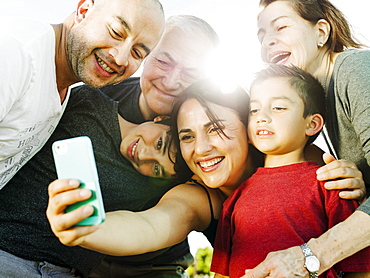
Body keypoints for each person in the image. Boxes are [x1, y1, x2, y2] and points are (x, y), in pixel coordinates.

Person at [46, 80, 366, 269]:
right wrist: (89, 229)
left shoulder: (299, 160)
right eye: (187, 136)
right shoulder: (199, 195)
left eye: (215, 129)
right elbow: (151, 225)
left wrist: (351, 175)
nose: (200, 149)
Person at [0, 85, 191, 277]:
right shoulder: (88, 102)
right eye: (159, 144)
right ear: (161, 119)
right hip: (7, 251)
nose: (144, 155)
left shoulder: (157, 190)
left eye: (157, 168)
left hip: (63, 271)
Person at [241, 0, 370, 276]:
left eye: (281, 27)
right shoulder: (317, 101)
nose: (268, 43)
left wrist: (309, 257)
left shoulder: (355, 69)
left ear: (321, 33)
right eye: (262, 36)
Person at [211, 65, 370, 278]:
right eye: (254, 110)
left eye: (278, 108)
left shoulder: (331, 183)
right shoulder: (236, 197)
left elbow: (360, 270)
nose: (262, 117)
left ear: (312, 124)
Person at [0, 0, 165, 188]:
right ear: (84, 10)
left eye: (136, 53)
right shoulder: (13, 56)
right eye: (116, 32)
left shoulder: (63, 83)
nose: (120, 58)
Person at [99, 14, 219, 123]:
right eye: (164, 62)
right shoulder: (97, 99)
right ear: (146, 57)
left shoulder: (209, 125)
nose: (170, 83)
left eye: (189, 74)